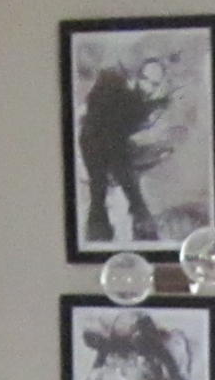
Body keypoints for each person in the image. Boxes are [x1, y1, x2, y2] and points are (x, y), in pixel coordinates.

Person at [74, 55, 174, 246]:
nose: (151, 87)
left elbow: (130, 119)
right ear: (137, 77)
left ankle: (103, 235)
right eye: (149, 81)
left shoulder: (119, 91)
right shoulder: (118, 91)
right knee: (125, 191)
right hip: (105, 146)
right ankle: (138, 232)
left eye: (155, 83)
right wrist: (159, 104)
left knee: (105, 192)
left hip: (100, 146)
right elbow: (130, 117)